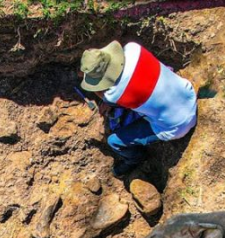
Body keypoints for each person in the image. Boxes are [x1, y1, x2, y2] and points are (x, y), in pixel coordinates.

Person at [80, 40, 198, 177]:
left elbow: (104, 95)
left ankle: (135, 159)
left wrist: (97, 90)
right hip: (189, 94)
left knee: (113, 141)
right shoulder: (133, 49)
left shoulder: (115, 95)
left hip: (177, 127)